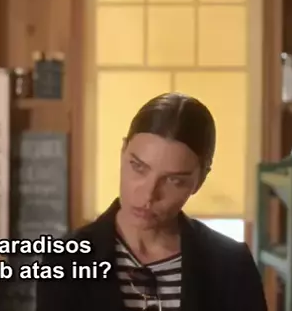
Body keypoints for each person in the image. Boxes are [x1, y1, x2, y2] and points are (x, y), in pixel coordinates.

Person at [36, 93, 267, 311]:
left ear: (200, 180)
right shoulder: (65, 260)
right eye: (138, 167)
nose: (148, 195)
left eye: (174, 180)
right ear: (123, 152)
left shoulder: (231, 265)